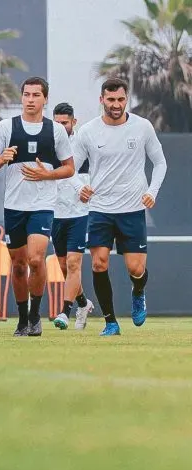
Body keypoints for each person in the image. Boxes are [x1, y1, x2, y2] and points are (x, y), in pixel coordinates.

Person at [74, 78, 167, 336]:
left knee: (136, 269)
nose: (116, 104)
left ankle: (138, 292)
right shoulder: (88, 131)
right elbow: (70, 167)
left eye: (121, 99)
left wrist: (152, 191)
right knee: (98, 264)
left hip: (132, 209)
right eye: (111, 99)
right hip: (100, 209)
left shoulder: (142, 127)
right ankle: (110, 322)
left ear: (127, 99)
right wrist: (79, 187)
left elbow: (160, 163)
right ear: (101, 100)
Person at [0, 77, 74, 337]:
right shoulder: (6, 127)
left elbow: (69, 168)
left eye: (36, 95)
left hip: (42, 205)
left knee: (36, 259)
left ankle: (36, 316)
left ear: (45, 99)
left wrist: (47, 175)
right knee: (19, 264)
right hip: (14, 206)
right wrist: (2, 159)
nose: (30, 99)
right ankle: (22, 319)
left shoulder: (55, 130)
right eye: (26, 94)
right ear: (21, 97)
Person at [51, 102, 94, 331]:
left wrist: (86, 190)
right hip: (56, 214)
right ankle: (83, 303)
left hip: (80, 213)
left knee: (74, 263)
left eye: (64, 123)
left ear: (73, 122)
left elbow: (82, 174)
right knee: (64, 267)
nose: (61, 127)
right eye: (57, 123)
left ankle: (65, 312)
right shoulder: (48, 145)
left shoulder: (82, 143)